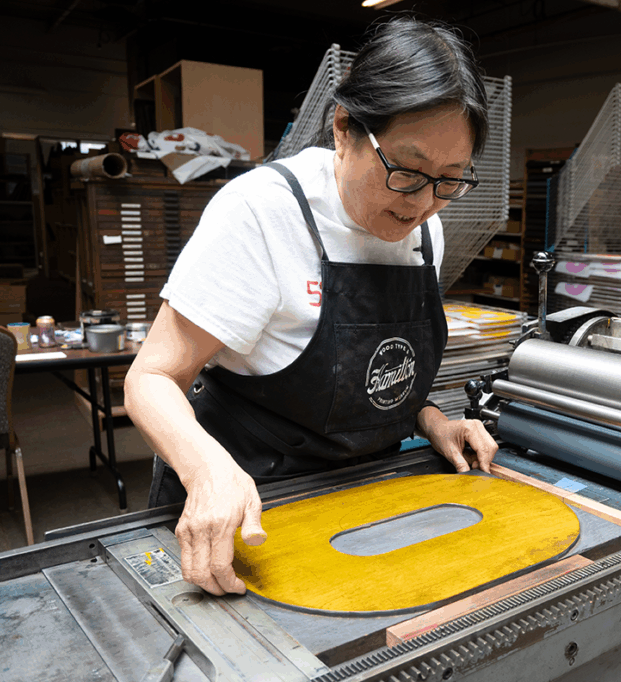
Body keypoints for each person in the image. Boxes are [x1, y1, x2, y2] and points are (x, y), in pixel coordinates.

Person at [124, 17, 500, 598]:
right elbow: (150, 378)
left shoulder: (426, 231)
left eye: (449, 180)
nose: (423, 203)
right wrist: (206, 471)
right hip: (251, 506)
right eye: (405, 170)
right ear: (345, 127)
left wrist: (432, 421)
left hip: (367, 496)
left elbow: (367, 379)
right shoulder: (262, 213)